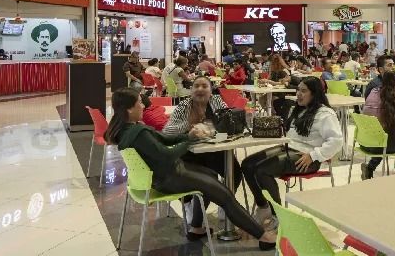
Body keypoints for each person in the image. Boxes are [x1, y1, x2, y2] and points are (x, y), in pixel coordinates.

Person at [106, 87, 276, 250]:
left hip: (160, 177)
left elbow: (165, 139)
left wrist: (188, 136)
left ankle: (196, 227)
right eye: (139, 102)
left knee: (211, 175)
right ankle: (263, 236)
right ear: (129, 109)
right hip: (169, 178)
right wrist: (188, 142)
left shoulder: (125, 131)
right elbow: (167, 155)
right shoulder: (139, 133)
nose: (143, 105)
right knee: (225, 196)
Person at [242, 77, 343, 228]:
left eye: (304, 91)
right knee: (247, 164)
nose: (299, 94)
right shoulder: (300, 109)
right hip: (289, 148)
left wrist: (314, 155)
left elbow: (336, 141)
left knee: (262, 171)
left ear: (314, 93)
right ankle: (263, 207)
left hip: (307, 158)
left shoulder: (325, 114)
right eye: (298, 90)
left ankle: (278, 215)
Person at [162, 76, 246, 229]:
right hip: (191, 153)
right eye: (196, 86)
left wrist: (220, 129)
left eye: (204, 86)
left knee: (235, 172)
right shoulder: (184, 106)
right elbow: (167, 131)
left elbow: (227, 123)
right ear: (191, 90)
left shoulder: (217, 102)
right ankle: (188, 204)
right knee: (206, 178)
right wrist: (188, 126)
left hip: (215, 150)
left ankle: (225, 203)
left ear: (211, 91)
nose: (200, 89)